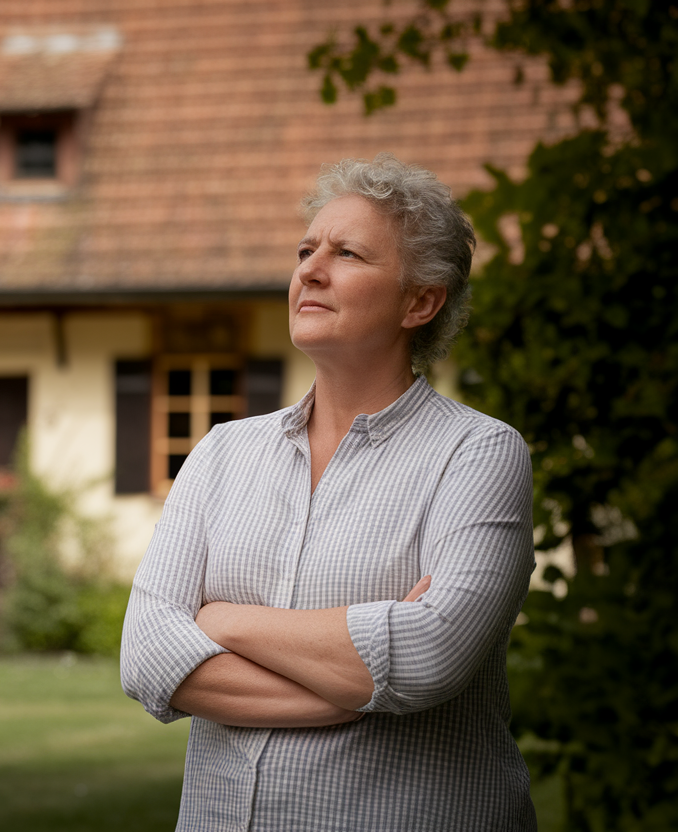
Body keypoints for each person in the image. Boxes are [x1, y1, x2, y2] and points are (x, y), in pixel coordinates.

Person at [120, 153, 537, 831]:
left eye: (347, 253)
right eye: (306, 249)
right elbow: (146, 657)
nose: (310, 269)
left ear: (420, 301)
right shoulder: (223, 453)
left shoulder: (478, 454)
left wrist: (221, 621)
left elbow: (430, 655)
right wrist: (359, 685)